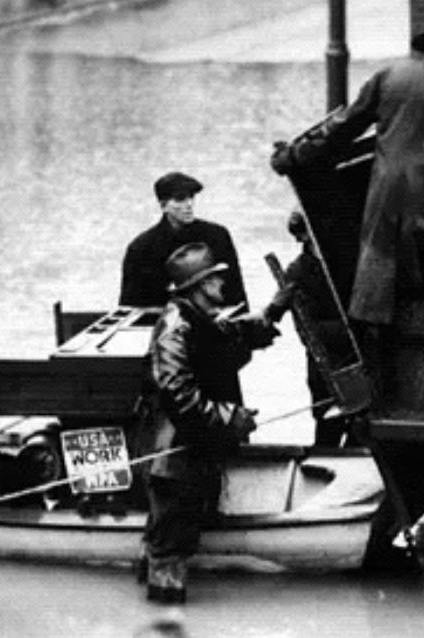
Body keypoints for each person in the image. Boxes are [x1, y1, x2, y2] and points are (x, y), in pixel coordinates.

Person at [271, 12, 424, 332]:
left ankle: (381, 360)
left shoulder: (389, 76)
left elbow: (341, 130)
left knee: (379, 299)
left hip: (385, 201)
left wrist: (292, 157)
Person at [137, 242, 271, 604]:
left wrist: (260, 325)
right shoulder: (175, 329)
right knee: (169, 558)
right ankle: (163, 612)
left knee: (166, 541)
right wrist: (232, 418)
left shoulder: (197, 318)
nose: (222, 281)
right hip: (174, 457)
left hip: (187, 454)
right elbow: (179, 397)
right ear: (198, 285)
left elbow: (222, 345)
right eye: (214, 277)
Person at [262, 208, 353, 447]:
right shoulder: (298, 271)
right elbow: (308, 329)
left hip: (357, 360)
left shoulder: (346, 262)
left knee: (361, 431)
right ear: (303, 237)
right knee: (327, 430)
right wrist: (351, 330)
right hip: (325, 364)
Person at [119, 172, 247, 310]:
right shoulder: (141, 248)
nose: (189, 204)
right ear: (163, 205)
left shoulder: (217, 236)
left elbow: (236, 293)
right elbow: (131, 306)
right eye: (180, 199)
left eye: (191, 197)